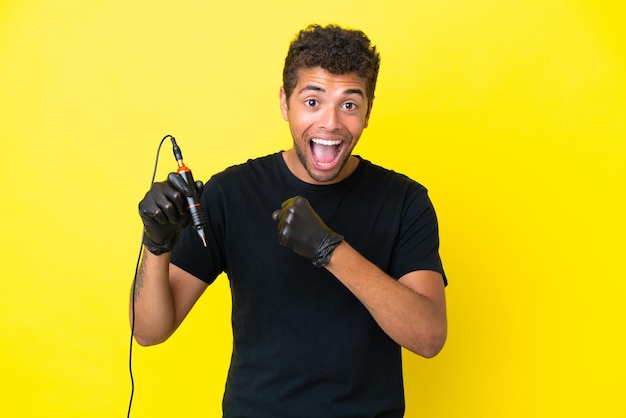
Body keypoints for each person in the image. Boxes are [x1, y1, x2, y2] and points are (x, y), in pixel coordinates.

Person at [132, 23, 448, 417]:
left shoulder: (405, 201)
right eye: (312, 102)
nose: (331, 123)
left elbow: (429, 337)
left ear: (368, 111)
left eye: (349, 104)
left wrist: (328, 248)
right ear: (285, 103)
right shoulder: (231, 193)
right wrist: (156, 244)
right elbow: (148, 331)